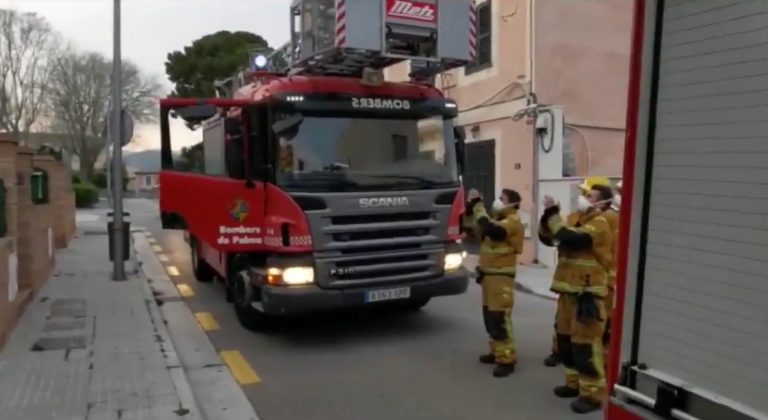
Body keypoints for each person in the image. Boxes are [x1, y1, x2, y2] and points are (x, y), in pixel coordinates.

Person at [538, 186, 612, 414]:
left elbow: (573, 239)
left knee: (585, 345)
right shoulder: (574, 218)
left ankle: (591, 395)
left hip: (587, 293)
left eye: (590, 195)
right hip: (568, 291)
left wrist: (553, 215)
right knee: (565, 341)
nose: (584, 197)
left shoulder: (600, 223)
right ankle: (573, 384)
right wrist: (546, 217)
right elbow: (550, 238)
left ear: (603, 203)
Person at [467, 188, 524, 378]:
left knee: (499, 319)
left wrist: (478, 206)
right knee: (489, 317)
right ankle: (496, 351)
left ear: (513, 203)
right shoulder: (496, 218)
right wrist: (471, 207)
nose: (498, 201)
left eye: (502, 199)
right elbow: (476, 229)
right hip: (488, 277)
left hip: (502, 277)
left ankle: (507, 359)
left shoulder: (512, 221)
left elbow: (493, 231)